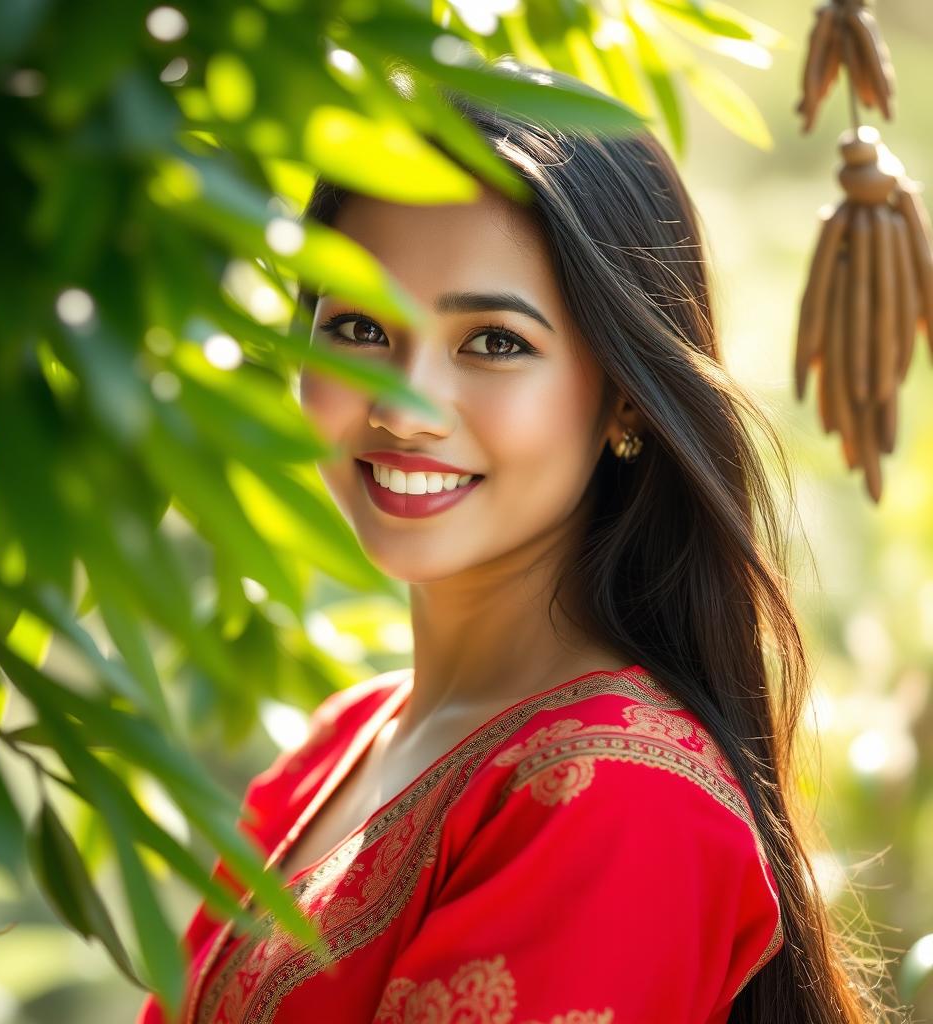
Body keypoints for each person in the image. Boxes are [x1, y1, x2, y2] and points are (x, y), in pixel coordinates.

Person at [138, 58, 891, 1024]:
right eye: (359, 326)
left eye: (493, 341)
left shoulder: (620, 805)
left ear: (624, 395)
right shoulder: (337, 745)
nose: (407, 410)